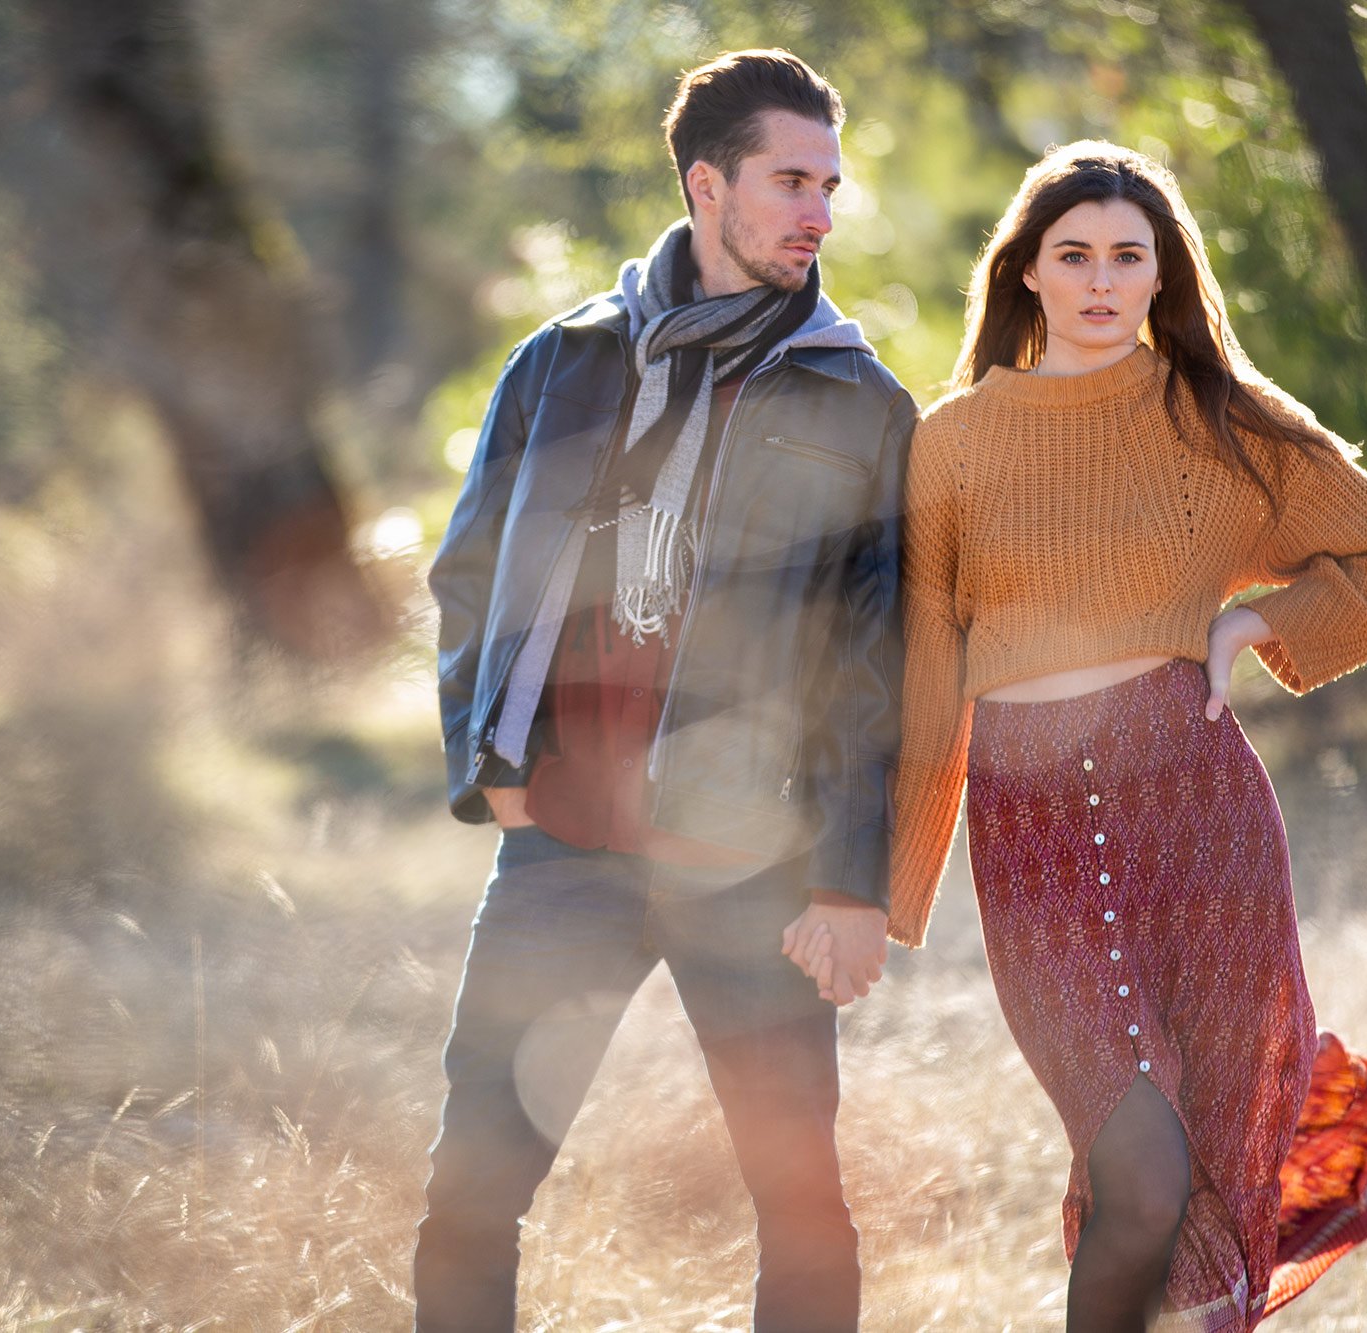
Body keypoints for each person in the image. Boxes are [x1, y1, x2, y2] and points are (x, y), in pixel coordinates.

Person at [878, 141, 1367, 1331]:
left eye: (1125, 258)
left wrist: (1255, 622)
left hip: (1195, 811)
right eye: (1072, 255)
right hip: (1026, 830)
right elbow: (929, 672)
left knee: (1213, 1147)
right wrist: (883, 893)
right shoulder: (952, 442)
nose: (1098, 281)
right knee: (1139, 1169)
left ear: (1159, 276)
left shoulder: (1220, 417)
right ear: (1025, 273)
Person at [417, 49, 914, 1333]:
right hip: (565, 849)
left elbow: (873, 663)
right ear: (707, 183)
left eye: (830, 184)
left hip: (751, 863)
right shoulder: (566, 361)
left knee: (800, 1201)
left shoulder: (857, 397)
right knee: (473, 1188)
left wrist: (850, 881)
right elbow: (470, 568)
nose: (818, 211)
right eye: (788, 180)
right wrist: (492, 769)